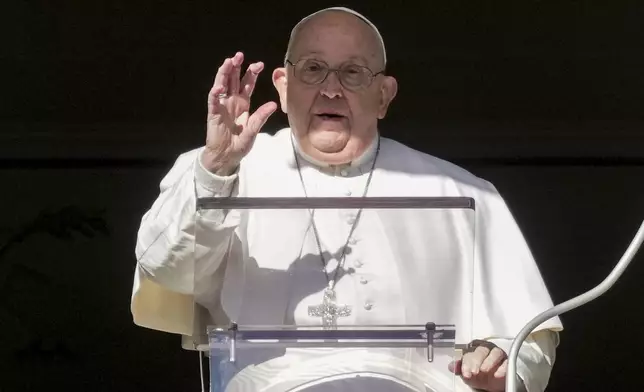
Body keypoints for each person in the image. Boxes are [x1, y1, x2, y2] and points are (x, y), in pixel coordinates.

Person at [131, 7, 563, 392]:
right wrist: (218, 169)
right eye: (313, 69)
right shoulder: (217, 171)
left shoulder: (462, 193)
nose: (331, 89)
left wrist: (498, 360)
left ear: (384, 96)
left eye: (353, 72)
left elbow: (524, 335)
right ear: (282, 87)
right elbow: (167, 269)